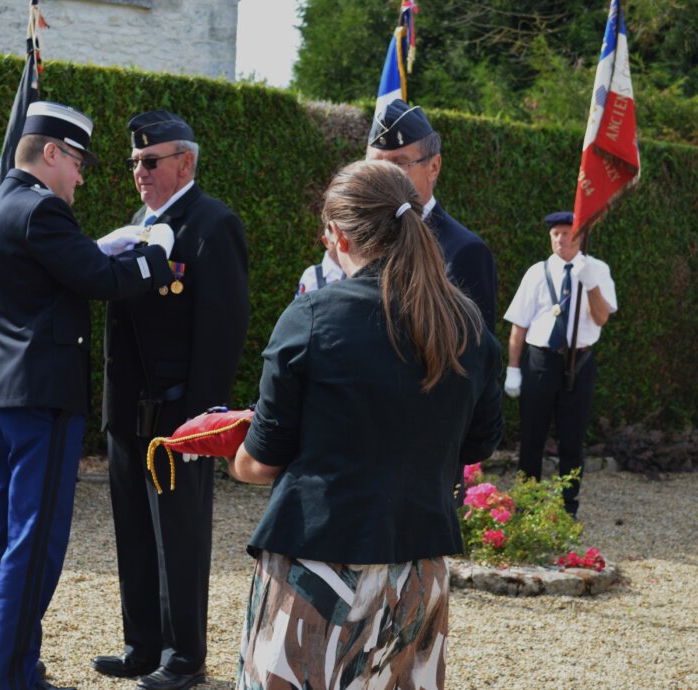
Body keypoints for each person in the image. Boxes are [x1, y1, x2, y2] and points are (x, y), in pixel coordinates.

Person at [229, 159, 503, 689]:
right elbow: (479, 442)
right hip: (419, 569)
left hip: (322, 563)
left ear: (338, 236)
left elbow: (261, 462)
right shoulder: (467, 323)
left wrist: (233, 453)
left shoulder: (312, 316)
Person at [0, 101, 177, 690]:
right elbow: (102, 280)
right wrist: (154, 258)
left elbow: (59, 270)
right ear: (51, 153)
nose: (80, 178)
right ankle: (9, 678)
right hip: (42, 396)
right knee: (32, 542)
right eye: (78, 163)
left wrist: (98, 247)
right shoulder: (42, 210)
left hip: (1, 392)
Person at [94, 110, 250, 690]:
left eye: (150, 160)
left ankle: (184, 654)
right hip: (127, 409)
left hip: (178, 414)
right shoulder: (139, 225)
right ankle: (142, 646)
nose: (139, 171)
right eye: (135, 161)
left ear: (185, 162)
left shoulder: (213, 224)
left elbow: (223, 329)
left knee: (179, 538)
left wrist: (201, 421)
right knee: (134, 531)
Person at [502, 211, 617, 516]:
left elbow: (601, 318)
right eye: (555, 234)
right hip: (540, 361)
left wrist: (590, 284)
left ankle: (568, 508)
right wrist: (513, 368)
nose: (560, 239)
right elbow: (519, 325)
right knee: (532, 437)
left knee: (572, 440)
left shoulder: (598, 270)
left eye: (567, 233)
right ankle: (527, 505)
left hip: (579, 362)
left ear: (580, 236)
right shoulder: (536, 272)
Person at [366, 99, 498, 332]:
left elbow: (475, 346)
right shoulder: (362, 240)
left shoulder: (464, 252)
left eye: (399, 163)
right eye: (376, 164)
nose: (385, 175)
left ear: (433, 167)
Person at [295, 228, 344, 296]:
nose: (340, 248)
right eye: (335, 243)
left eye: (343, 243)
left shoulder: (357, 270)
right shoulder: (312, 275)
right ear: (325, 241)